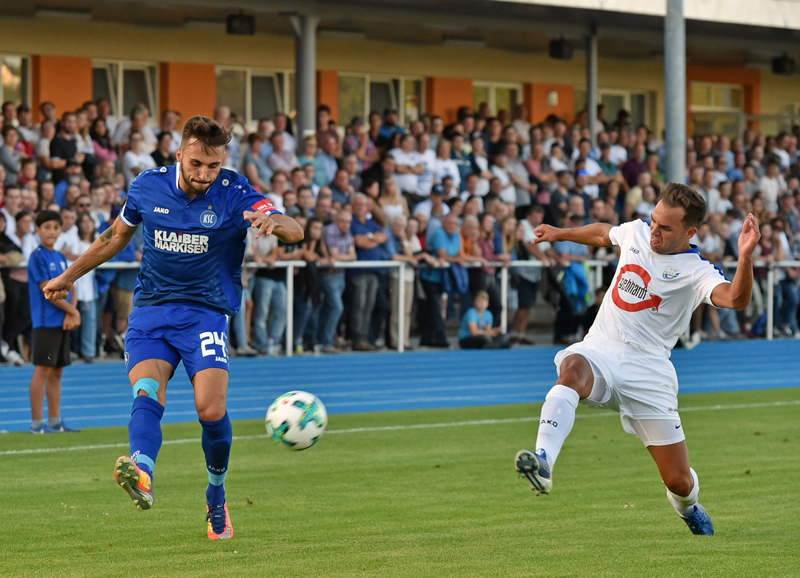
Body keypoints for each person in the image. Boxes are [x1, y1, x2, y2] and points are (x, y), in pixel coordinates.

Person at [43, 116, 303, 540]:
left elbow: (295, 228)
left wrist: (276, 225)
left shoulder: (235, 191)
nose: (204, 174)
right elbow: (113, 236)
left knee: (211, 410)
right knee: (146, 390)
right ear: (179, 154)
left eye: (213, 166)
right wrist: (69, 276)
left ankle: (216, 496)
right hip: (151, 312)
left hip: (204, 313)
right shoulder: (147, 185)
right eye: (197, 163)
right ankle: (142, 472)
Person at [514, 183, 761, 536]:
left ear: (690, 232)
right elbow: (603, 233)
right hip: (602, 348)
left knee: (678, 481)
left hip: (649, 371)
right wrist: (559, 234)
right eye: (653, 220)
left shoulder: (696, 270)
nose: (654, 231)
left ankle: (688, 507)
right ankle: (543, 461)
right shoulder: (637, 232)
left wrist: (746, 257)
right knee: (571, 371)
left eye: (665, 227)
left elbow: (736, 299)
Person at [27, 210, 82, 433]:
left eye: (55, 227)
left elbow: (72, 286)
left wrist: (72, 312)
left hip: (63, 321)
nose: (51, 231)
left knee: (57, 371)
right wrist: (73, 312)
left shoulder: (60, 257)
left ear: (61, 230)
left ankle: (55, 421)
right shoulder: (38, 256)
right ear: (38, 229)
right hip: (46, 322)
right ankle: (37, 423)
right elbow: (46, 290)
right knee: (43, 370)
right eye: (46, 227)